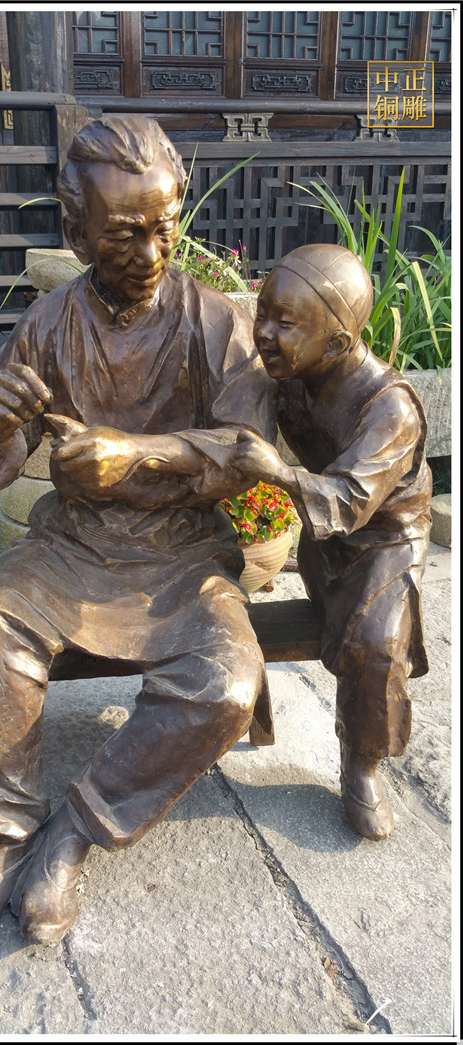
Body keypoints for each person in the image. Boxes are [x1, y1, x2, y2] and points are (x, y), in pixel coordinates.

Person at [0, 115, 276, 953]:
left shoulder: (211, 320)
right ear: (77, 230)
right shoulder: (49, 322)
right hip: (73, 548)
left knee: (227, 682)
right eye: (122, 233)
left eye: (164, 226)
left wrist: (137, 453)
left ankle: (72, 830)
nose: (150, 252)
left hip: (181, 554)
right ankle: (5, 834)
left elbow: (248, 450)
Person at [232, 243, 432, 841]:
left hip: (385, 538)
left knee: (375, 644)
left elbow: (348, 498)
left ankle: (362, 764)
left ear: (338, 342)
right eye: (263, 313)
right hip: (326, 536)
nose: (264, 333)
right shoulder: (289, 374)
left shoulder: (390, 408)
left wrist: (276, 473)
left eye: (284, 323)